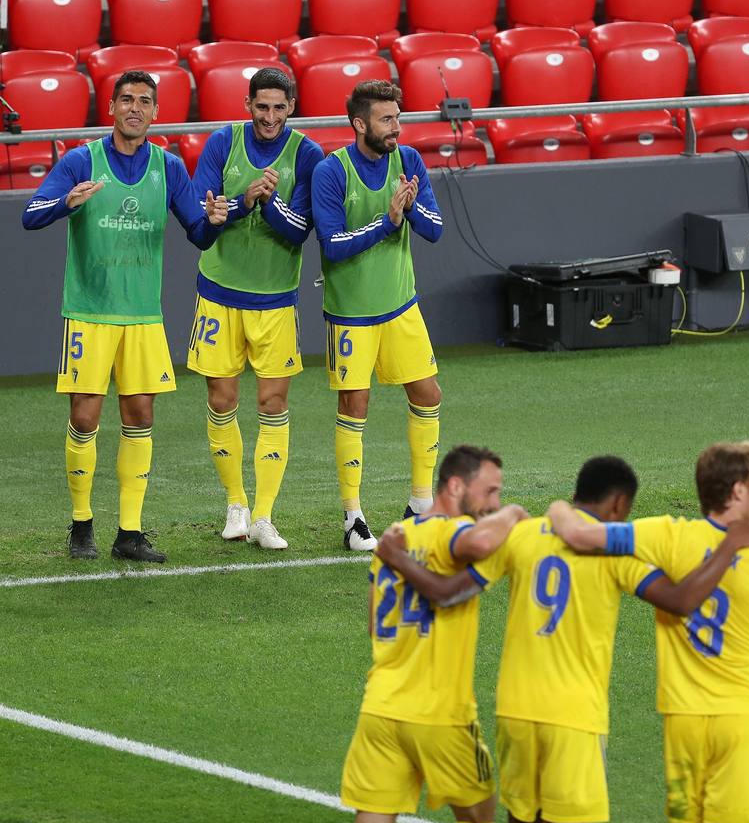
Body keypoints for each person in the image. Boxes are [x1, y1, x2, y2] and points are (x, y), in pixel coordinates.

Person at [377, 456, 749, 823]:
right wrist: (728, 548)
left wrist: (400, 559)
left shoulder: (524, 536)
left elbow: (448, 592)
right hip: (573, 718)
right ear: (618, 504)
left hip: (515, 713)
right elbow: (681, 601)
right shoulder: (613, 552)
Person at [548, 442, 749, 823]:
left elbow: (577, 533)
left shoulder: (668, 536)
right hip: (742, 716)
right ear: (738, 490)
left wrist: (558, 507)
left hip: (682, 720)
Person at [22, 70, 228, 563]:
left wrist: (217, 222)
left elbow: (198, 234)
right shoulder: (81, 160)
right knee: (84, 416)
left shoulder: (168, 167)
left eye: (145, 101)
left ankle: (129, 533)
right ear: (111, 107)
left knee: (140, 417)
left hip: (142, 316)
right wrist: (64, 202)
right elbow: (31, 214)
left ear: (156, 112)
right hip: (89, 312)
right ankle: (81, 525)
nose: (136, 108)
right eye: (128, 99)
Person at [341, 445, 529, 823]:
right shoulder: (452, 532)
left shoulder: (394, 538)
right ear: (456, 486)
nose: (494, 503)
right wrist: (514, 513)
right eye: (490, 491)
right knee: (477, 817)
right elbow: (480, 542)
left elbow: (374, 625)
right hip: (440, 712)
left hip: (381, 706)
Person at [188, 67, 324, 550]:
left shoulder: (307, 154)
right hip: (218, 294)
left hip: (275, 300)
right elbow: (203, 213)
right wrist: (243, 202)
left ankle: (264, 516)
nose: (269, 117)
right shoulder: (222, 142)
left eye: (278, 107)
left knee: (273, 404)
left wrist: (266, 203)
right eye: (261, 106)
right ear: (247, 104)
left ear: (291, 108)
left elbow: (300, 229)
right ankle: (236, 505)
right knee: (221, 400)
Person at [311, 79, 443, 553]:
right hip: (351, 314)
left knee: (428, 395)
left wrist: (409, 210)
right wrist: (386, 222)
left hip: (401, 306)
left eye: (398, 117)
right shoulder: (331, 172)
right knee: (354, 407)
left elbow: (435, 229)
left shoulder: (408, 161)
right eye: (386, 119)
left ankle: (421, 503)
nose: (396, 127)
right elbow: (332, 245)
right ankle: (353, 519)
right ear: (359, 124)